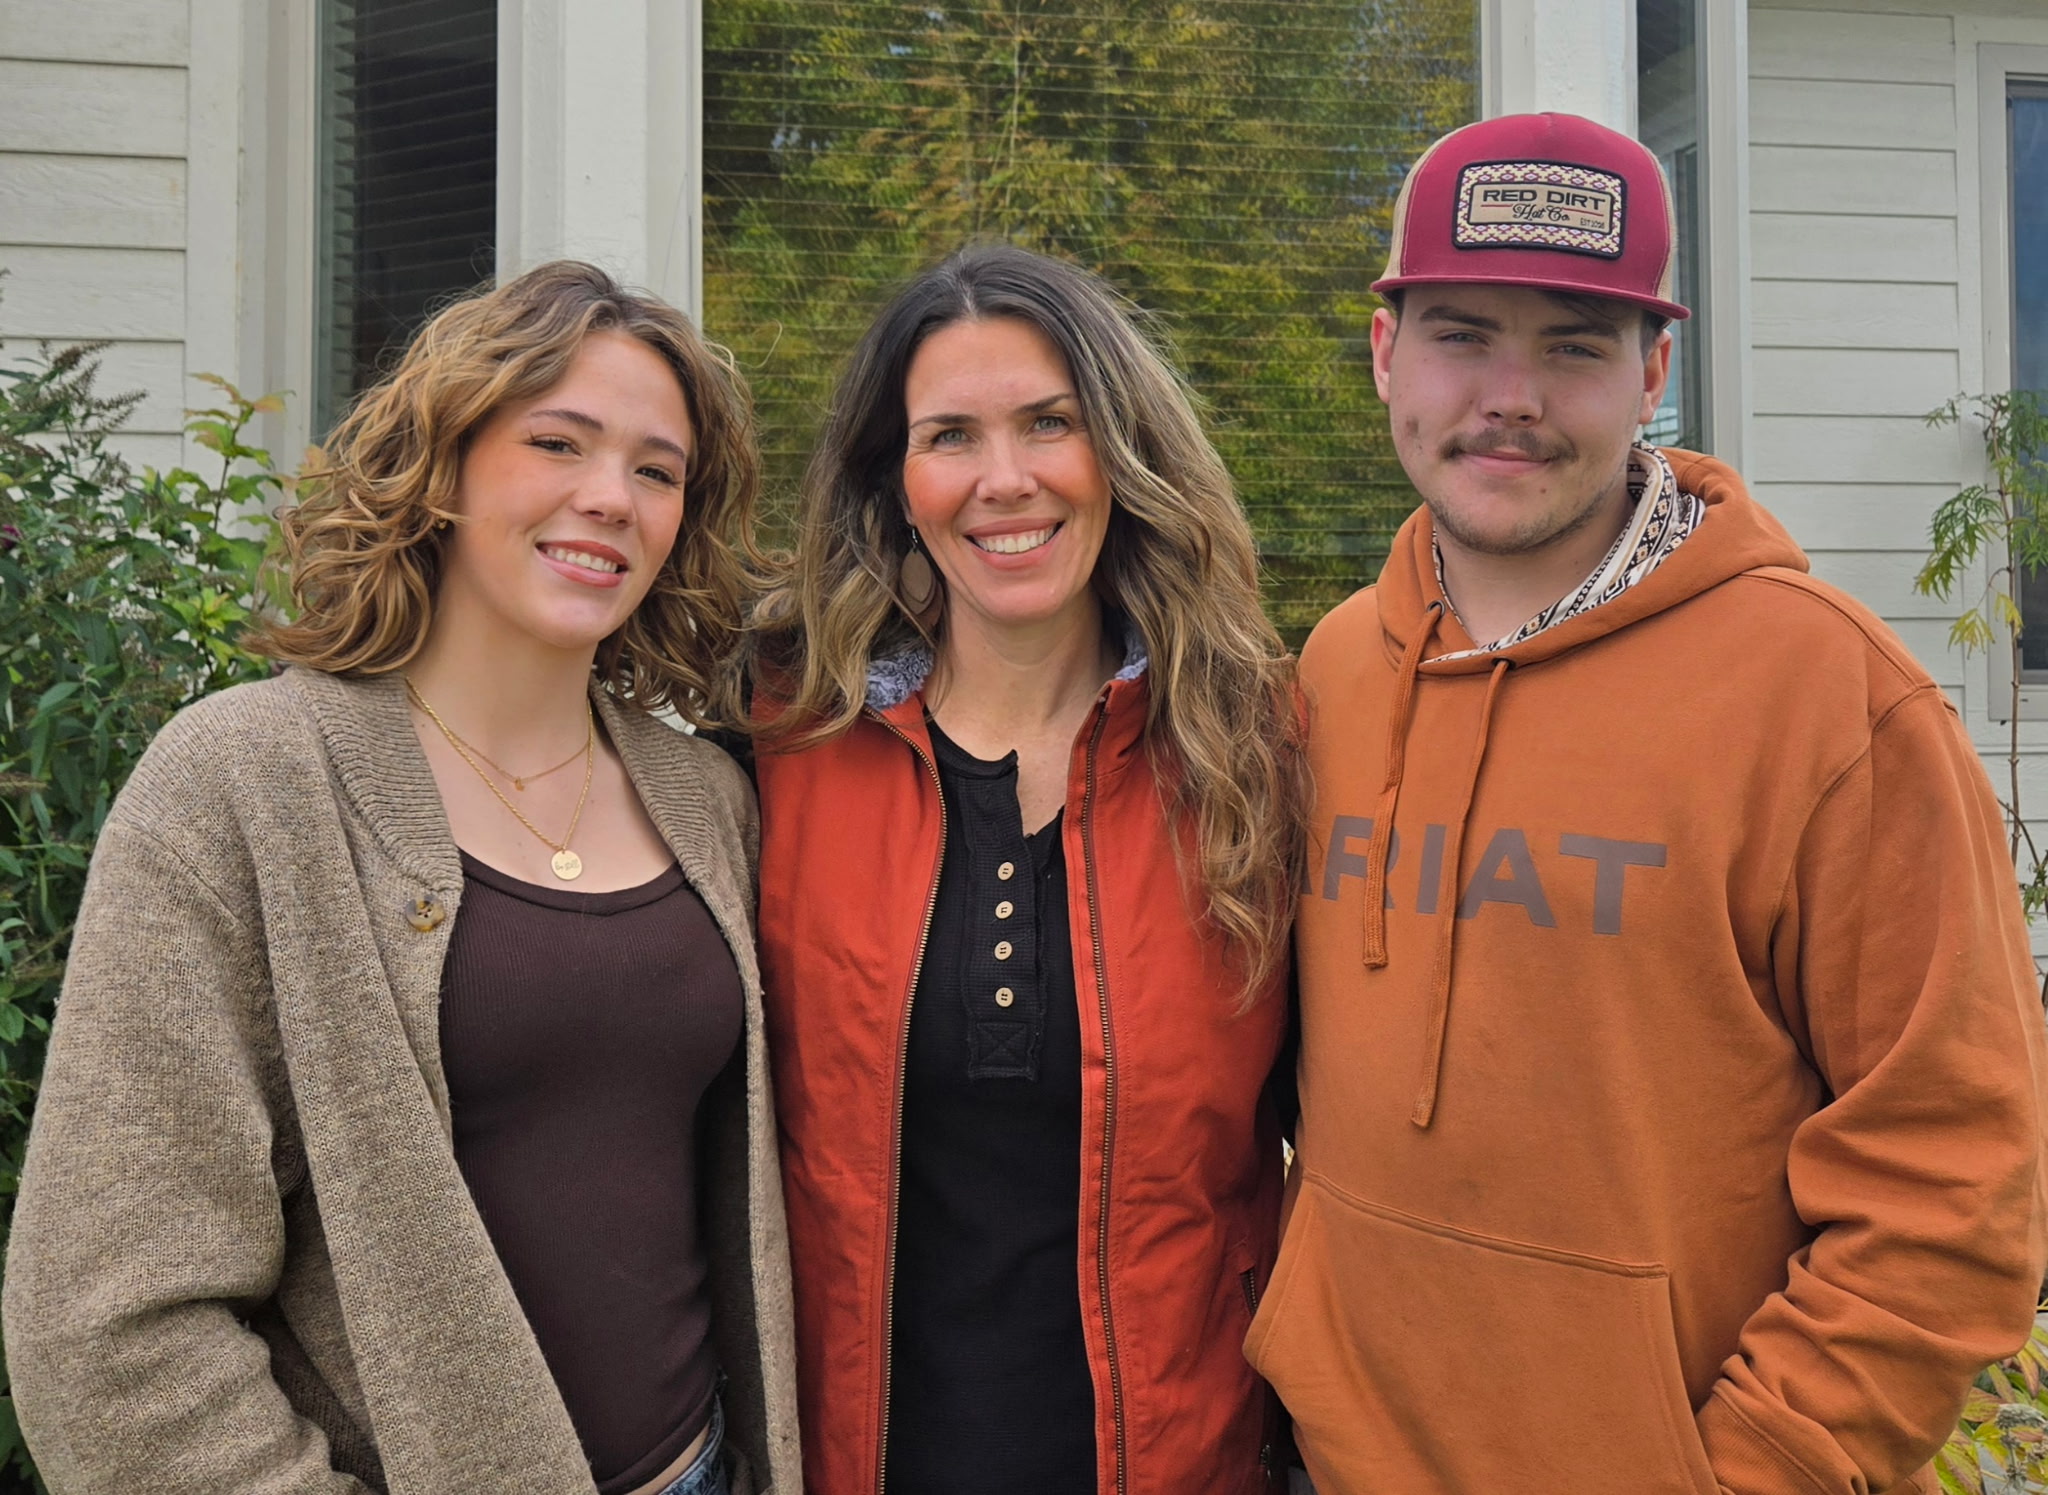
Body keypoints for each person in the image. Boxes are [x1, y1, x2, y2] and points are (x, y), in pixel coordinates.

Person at [1242, 109, 2048, 1495]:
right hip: (1334, 1458)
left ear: (1654, 369)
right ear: (1385, 353)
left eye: (1574, 343)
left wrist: (1761, 1464)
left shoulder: (1829, 701)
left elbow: (1954, 1178)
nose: (1513, 392)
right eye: (1461, 332)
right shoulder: (1332, 671)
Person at [3, 261, 800, 1495]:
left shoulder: (710, 801)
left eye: (656, 469)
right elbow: (104, 1328)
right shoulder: (244, 784)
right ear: (443, 465)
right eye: (558, 442)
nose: (610, 498)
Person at [745, 242, 1306, 1495]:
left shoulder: (1258, 755)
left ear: (1118, 452)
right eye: (948, 435)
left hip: (1186, 1465)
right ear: (894, 484)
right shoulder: (780, 747)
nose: (1004, 480)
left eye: (1049, 423)